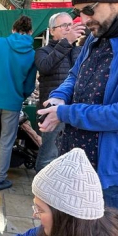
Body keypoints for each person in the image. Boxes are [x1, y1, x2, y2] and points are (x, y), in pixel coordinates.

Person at [38, 0, 118, 230]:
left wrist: (66, 112)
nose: (84, 19)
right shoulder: (97, 31)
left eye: (89, 10)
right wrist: (60, 97)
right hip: (77, 161)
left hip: (111, 174)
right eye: (79, 12)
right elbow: (75, 75)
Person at [0, 16, 36, 190]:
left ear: (13, 29)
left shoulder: (0, 43)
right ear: (31, 32)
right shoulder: (32, 54)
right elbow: (29, 85)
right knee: (7, 142)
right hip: (13, 102)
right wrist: (21, 96)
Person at [34, 12, 82, 171]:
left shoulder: (80, 50)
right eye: (64, 26)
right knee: (48, 153)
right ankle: (40, 190)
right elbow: (45, 67)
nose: (69, 29)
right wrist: (66, 42)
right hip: (52, 109)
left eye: (71, 25)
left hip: (75, 109)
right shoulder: (43, 51)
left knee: (71, 155)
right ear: (52, 30)